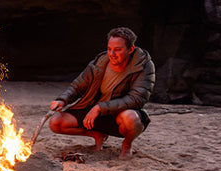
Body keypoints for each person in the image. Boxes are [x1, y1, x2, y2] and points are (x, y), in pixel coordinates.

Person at [48, 27, 154, 158]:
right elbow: (78, 86)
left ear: (130, 49)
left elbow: (137, 99)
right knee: (55, 122)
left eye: (118, 49)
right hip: (94, 112)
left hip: (118, 115)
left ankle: (127, 145)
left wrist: (100, 108)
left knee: (131, 118)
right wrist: (62, 100)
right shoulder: (99, 62)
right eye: (109, 49)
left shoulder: (143, 66)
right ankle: (97, 135)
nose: (112, 54)